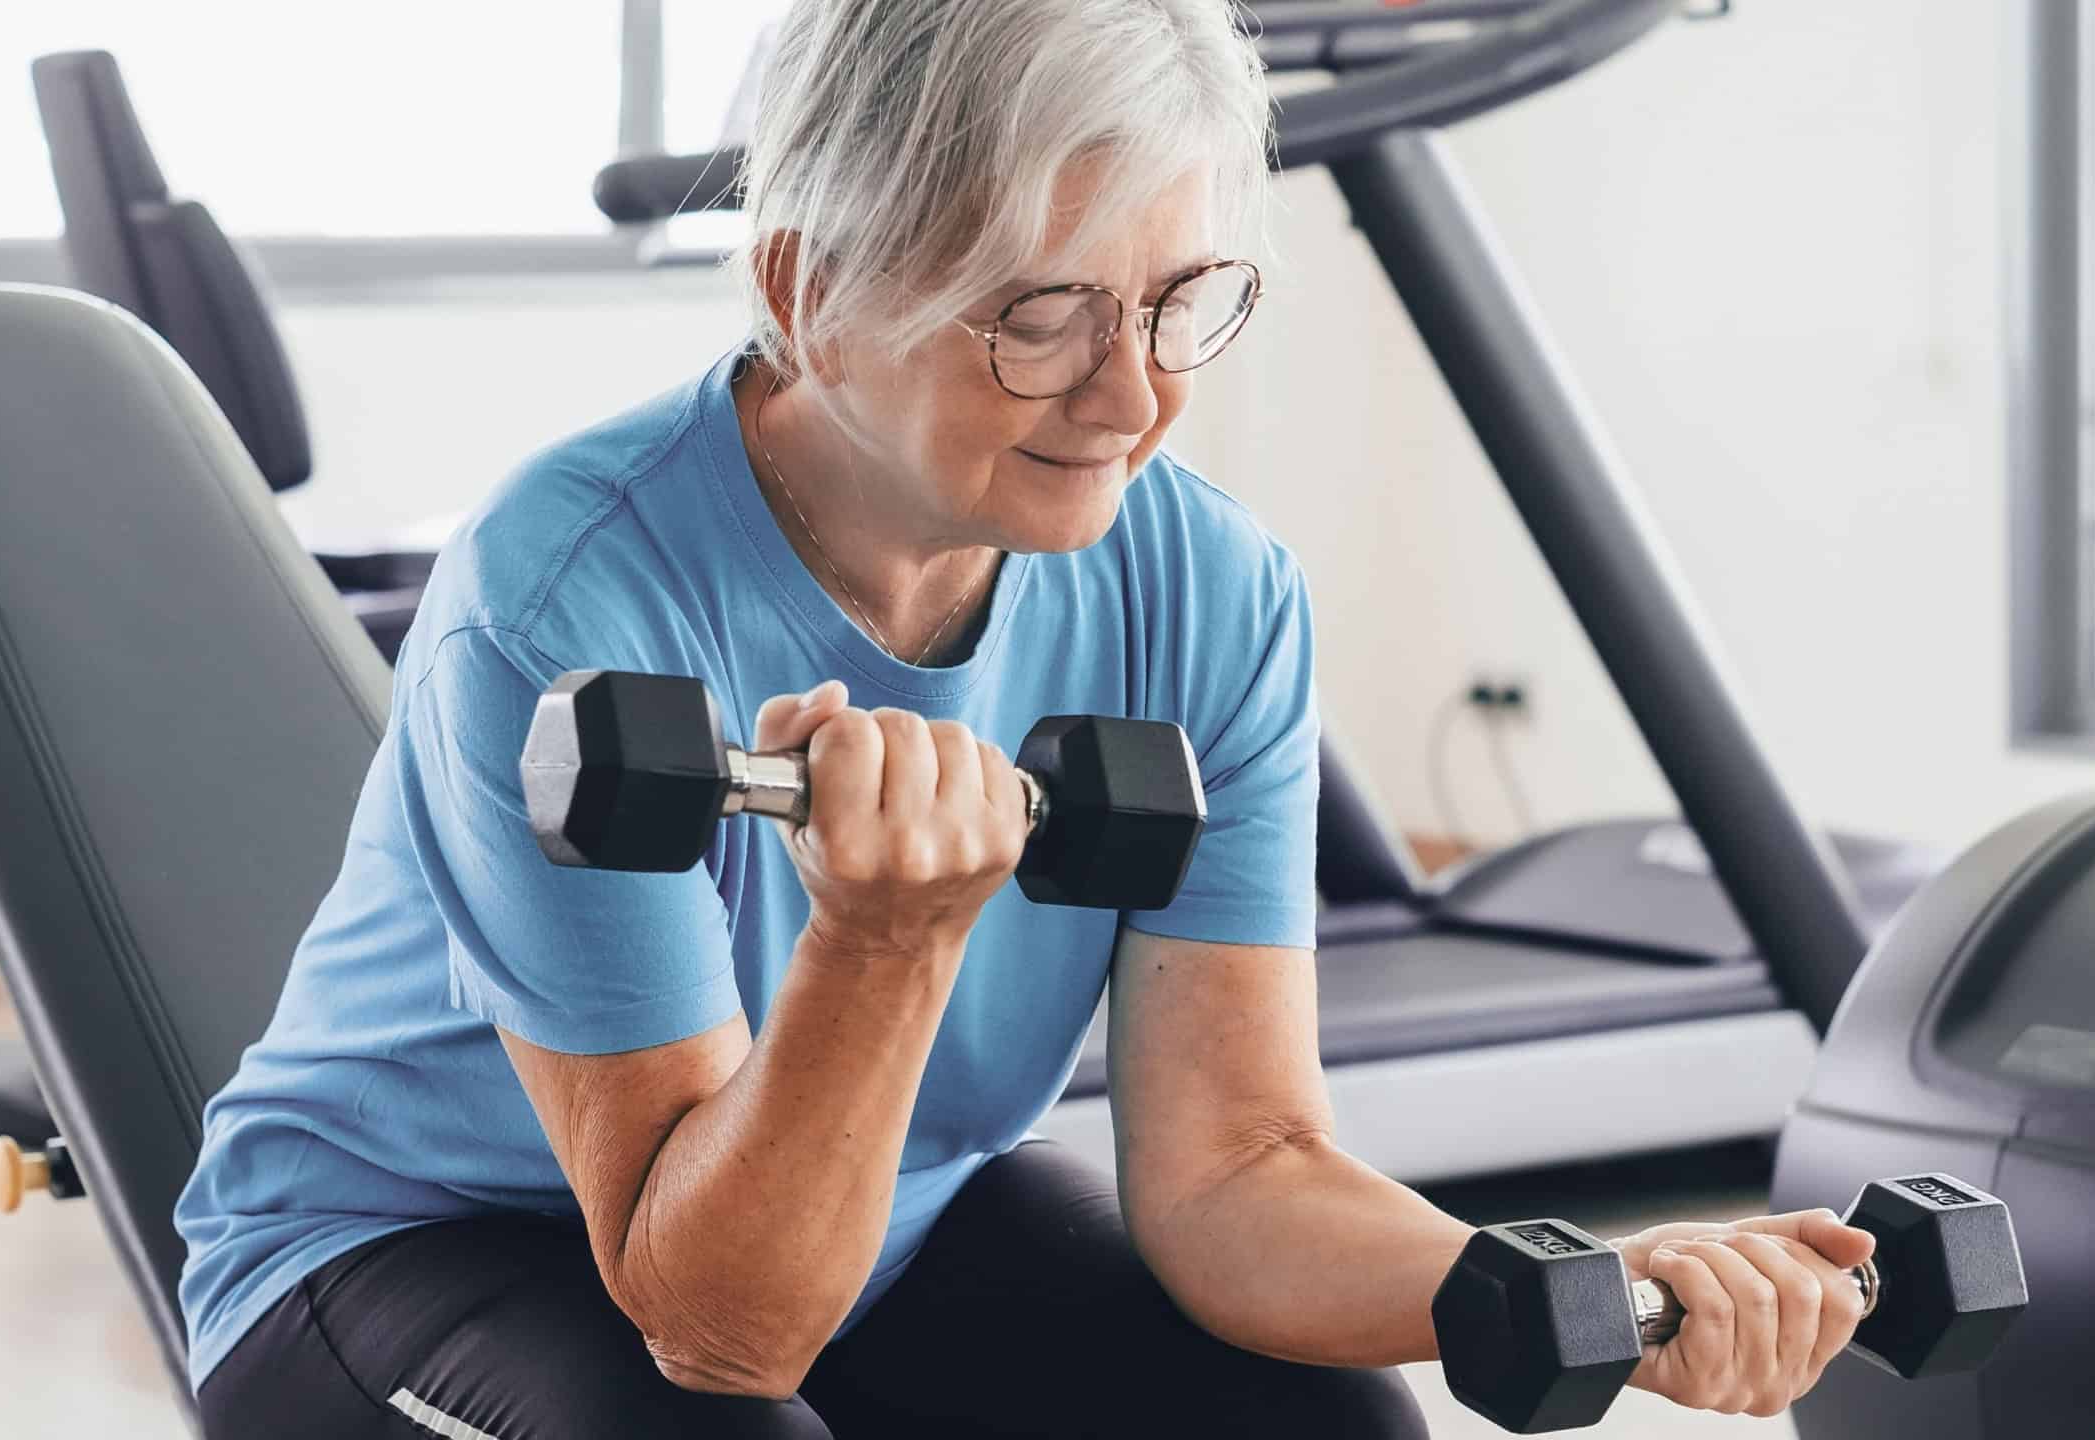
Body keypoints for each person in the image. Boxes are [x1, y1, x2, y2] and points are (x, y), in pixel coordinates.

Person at [176, 2, 1877, 1435]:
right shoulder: (569, 603)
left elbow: (1239, 1172)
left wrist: (1575, 1286)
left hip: (881, 1236)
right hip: (407, 1255)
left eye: (1176, 301)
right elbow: (721, 1333)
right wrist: (886, 939)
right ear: (809, 289)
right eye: (1039, 314)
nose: (1132, 397)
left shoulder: (1212, 596)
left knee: (1323, 1414)